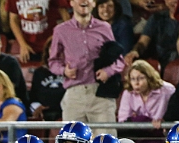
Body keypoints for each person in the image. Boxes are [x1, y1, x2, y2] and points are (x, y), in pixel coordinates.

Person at [49, 0, 124, 135]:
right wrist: (64, 71)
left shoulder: (104, 27)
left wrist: (108, 71)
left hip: (101, 95)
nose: (84, 1)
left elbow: (118, 59)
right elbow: (53, 62)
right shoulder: (60, 30)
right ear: (71, 3)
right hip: (74, 94)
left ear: (94, 3)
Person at [118, 59, 175, 127]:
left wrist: (136, 119)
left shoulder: (167, 90)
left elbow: (175, 115)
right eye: (132, 79)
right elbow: (122, 121)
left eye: (141, 78)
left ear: (149, 78)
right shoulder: (128, 93)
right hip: (136, 132)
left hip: (161, 132)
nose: (136, 83)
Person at [125, 0, 179, 70]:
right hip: (160, 66)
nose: (174, 1)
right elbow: (142, 43)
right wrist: (135, 51)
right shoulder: (157, 18)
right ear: (165, 1)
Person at [29, 37, 65, 121]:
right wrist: (37, 107)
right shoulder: (39, 72)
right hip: (44, 113)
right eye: (53, 48)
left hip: (66, 111)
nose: (56, 52)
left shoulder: (72, 72)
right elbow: (33, 97)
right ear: (47, 51)